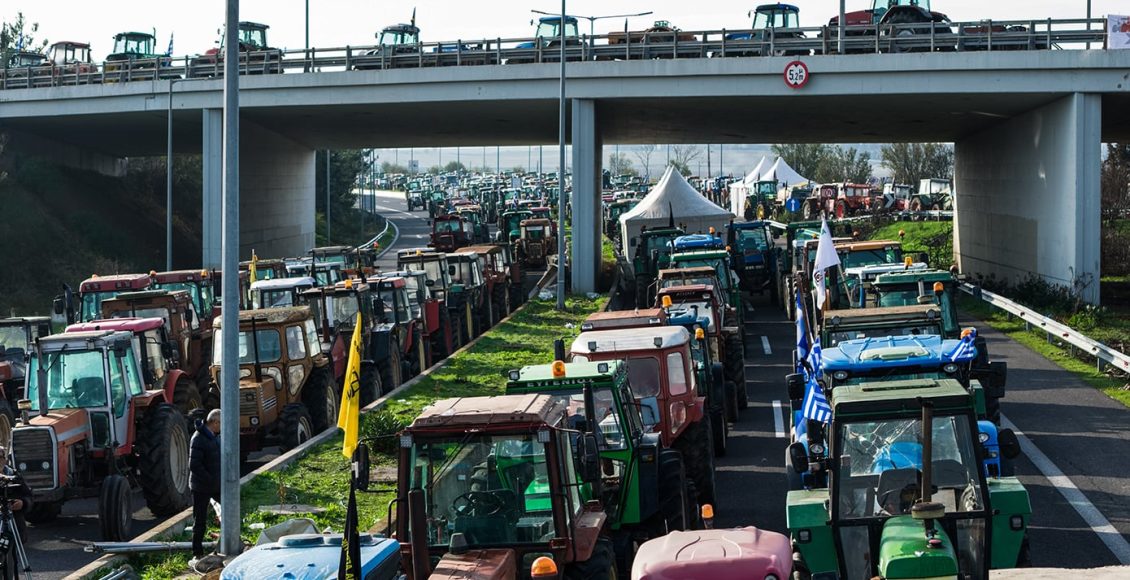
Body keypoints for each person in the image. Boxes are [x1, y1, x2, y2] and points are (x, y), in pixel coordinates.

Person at [189, 409, 222, 562]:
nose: (222, 427)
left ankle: (227, 542)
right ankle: (197, 552)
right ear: (214, 422)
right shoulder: (198, 438)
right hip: (201, 487)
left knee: (229, 509)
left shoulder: (214, 437)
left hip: (214, 484)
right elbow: (194, 465)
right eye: (221, 423)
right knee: (200, 519)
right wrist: (209, 479)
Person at [0, 446, 31, 542]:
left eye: (0, 458)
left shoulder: (14, 475)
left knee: (14, 555)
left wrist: (23, 503)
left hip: (15, 527)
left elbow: (29, 496)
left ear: (5, 460)